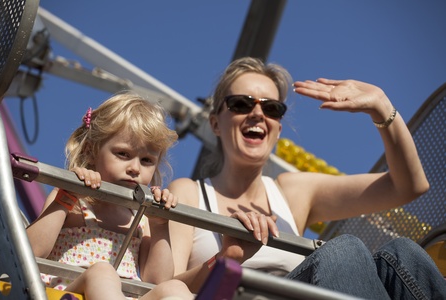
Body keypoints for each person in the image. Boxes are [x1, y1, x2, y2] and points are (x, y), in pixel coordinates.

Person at [168, 57, 446, 299]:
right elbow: (163, 287)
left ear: (277, 129)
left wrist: (381, 106)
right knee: (343, 252)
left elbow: (408, 186)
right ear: (215, 123)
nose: (257, 114)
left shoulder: (293, 192)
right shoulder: (189, 193)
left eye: (271, 108)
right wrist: (227, 259)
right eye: (241, 104)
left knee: (403, 255)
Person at [26, 92, 193, 300]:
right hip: (71, 293)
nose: (134, 168)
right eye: (123, 154)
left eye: (147, 160)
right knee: (103, 272)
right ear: (91, 151)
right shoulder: (75, 200)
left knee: (176, 288)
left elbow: (156, 280)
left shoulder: (140, 218)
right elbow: (30, 251)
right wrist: (67, 197)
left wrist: (160, 225)